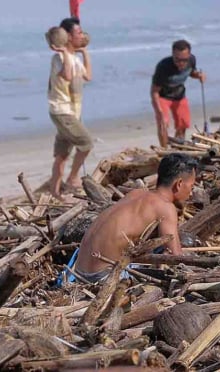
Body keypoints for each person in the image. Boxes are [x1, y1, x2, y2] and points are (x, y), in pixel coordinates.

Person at [73, 153, 198, 283]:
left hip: (79, 272)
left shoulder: (136, 194)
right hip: (101, 277)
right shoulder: (165, 207)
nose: (191, 192)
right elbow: (176, 257)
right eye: (191, 186)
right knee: (167, 274)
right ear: (179, 184)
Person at [47, 17, 93, 200]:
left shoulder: (74, 58)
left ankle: (54, 191)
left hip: (71, 111)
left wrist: (84, 52)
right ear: (67, 36)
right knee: (86, 143)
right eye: (78, 33)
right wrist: (65, 51)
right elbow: (66, 75)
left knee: (62, 154)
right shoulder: (58, 58)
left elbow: (88, 76)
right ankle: (72, 179)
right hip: (61, 110)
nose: (81, 35)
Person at [151, 40, 206, 148]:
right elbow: (154, 91)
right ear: (173, 55)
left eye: (184, 60)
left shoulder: (191, 60)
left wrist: (199, 75)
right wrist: (159, 111)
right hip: (163, 96)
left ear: (189, 55)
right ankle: (164, 150)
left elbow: (191, 72)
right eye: (177, 60)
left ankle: (177, 148)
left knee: (183, 123)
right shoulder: (163, 66)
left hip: (179, 95)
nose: (181, 63)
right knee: (163, 123)